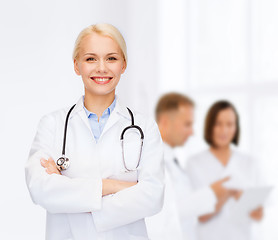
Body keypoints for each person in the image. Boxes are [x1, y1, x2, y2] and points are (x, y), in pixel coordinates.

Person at [25, 23, 164, 240]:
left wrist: (69, 193)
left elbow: (153, 196)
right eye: (91, 58)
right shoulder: (52, 125)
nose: (101, 68)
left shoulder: (144, 128)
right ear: (76, 65)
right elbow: (40, 189)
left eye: (111, 58)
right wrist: (114, 186)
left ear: (123, 65)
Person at [145, 93, 230, 240]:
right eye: (187, 124)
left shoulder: (173, 160)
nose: (192, 132)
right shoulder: (150, 160)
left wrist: (214, 202)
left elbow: (184, 209)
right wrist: (211, 194)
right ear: (165, 122)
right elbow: (162, 214)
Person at [187, 100, 263, 240]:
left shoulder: (249, 163)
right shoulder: (194, 163)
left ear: (236, 127)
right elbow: (200, 215)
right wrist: (228, 192)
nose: (224, 130)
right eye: (218, 124)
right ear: (210, 126)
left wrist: (237, 196)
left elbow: (258, 215)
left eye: (229, 124)